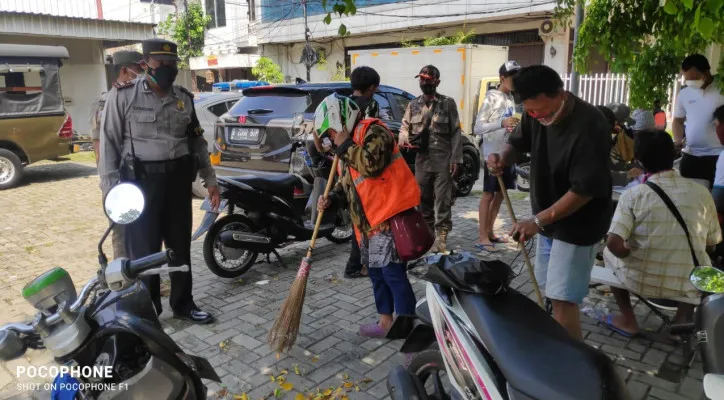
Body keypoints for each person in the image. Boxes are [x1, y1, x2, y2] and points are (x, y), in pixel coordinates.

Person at [99, 38, 220, 324]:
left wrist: (210, 180)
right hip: (140, 185)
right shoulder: (124, 96)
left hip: (178, 183)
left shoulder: (184, 98)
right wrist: (110, 193)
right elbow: (108, 145)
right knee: (144, 249)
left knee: (179, 245)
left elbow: (198, 144)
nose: (166, 68)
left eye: (171, 63)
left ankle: (183, 303)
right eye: (159, 63)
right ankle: (148, 307)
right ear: (145, 64)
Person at [487, 65, 612, 340]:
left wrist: (537, 220)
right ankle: (557, 351)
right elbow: (518, 142)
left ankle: (571, 368)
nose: (537, 117)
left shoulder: (591, 123)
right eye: (531, 112)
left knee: (564, 298)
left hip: (578, 223)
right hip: (546, 220)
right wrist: (502, 158)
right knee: (550, 291)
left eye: (542, 111)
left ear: (560, 94)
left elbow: (584, 190)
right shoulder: (535, 113)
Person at [316, 93, 419, 337]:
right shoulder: (348, 143)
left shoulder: (374, 132)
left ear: (342, 120)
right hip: (367, 225)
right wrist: (331, 197)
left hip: (387, 219)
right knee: (376, 274)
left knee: (393, 274)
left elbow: (370, 165)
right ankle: (385, 322)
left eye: (331, 132)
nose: (331, 138)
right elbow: (349, 182)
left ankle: (407, 325)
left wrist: (344, 145)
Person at [602, 130, 721, 336]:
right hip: (688, 283)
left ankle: (629, 320)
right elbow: (712, 243)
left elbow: (614, 244)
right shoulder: (702, 193)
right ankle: (681, 319)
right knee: (700, 258)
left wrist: (627, 253)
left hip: (641, 280)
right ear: (673, 155)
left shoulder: (633, 195)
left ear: (638, 160)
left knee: (607, 252)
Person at [398, 65, 463, 253]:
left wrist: (456, 158)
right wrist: (403, 137)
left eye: (428, 79)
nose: (424, 83)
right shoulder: (413, 104)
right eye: (422, 79)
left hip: (443, 160)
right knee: (423, 200)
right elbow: (404, 126)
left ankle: (441, 238)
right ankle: (429, 237)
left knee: (443, 200)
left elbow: (456, 133)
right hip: (422, 161)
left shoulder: (447, 103)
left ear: (437, 82)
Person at [90, 50, 143, 260]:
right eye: (139, 70)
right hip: (117, 178)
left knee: (143, 227)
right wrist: (108, 183)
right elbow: (98, 145)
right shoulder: (104, 102)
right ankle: (123, 276)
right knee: (120, 229)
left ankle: (146, 273)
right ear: (124, 70)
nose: (142, 74)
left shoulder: (140, 97)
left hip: (140, 175)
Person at [473, 61, 521, 253]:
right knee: (488, 194)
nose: (516, 81)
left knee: (501, 194)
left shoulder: (510, 98)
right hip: (492, 155)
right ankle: (482, 236)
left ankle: (490, 232)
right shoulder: (491, 98)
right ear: (502, 78)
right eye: (513, 77)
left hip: (506, 153)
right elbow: (477, 127)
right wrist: (501, 122)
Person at [673, 54, 724, 188]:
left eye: (694, 79)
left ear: (706, 73)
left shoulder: (721, 90)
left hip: (717, 155)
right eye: (687, 79)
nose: (690, 83)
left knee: (714, 202)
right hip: (691, 155)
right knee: (689, 197)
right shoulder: (685, 93)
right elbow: (678, 120)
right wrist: (678, 139)